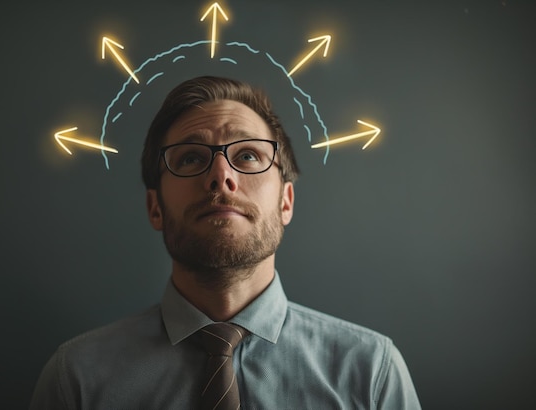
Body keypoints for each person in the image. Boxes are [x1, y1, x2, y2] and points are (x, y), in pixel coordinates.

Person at [30, 76, 421, 409]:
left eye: (248, 155)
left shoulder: (371, 374)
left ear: (286, 202)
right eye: (189, 159)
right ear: (155, 207)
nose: (221, 176)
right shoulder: (76, 380)